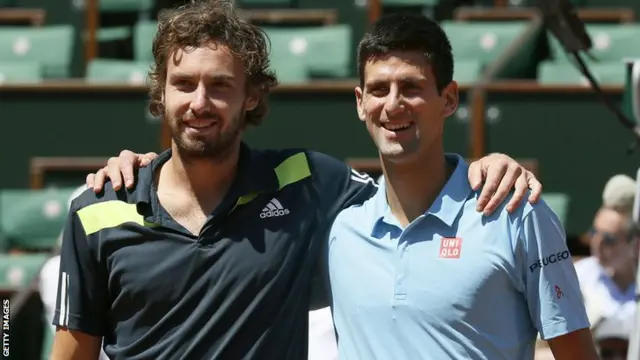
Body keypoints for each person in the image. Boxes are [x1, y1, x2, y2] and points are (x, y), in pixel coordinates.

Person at [75, 2, 542, 359]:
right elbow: (32, 336)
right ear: (161, 91)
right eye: (183, 84)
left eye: (220, 86)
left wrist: (484, 166)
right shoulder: (98, 208)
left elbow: (411, 192)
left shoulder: (308, 182)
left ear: (252, 95)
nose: (200, 102)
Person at [324, 13, 597, 360]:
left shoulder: (517, 213)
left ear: (450, 99)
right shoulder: (342, 230)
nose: (393, 104)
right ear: (361, 103)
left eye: (411, 87)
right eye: (379, 89)